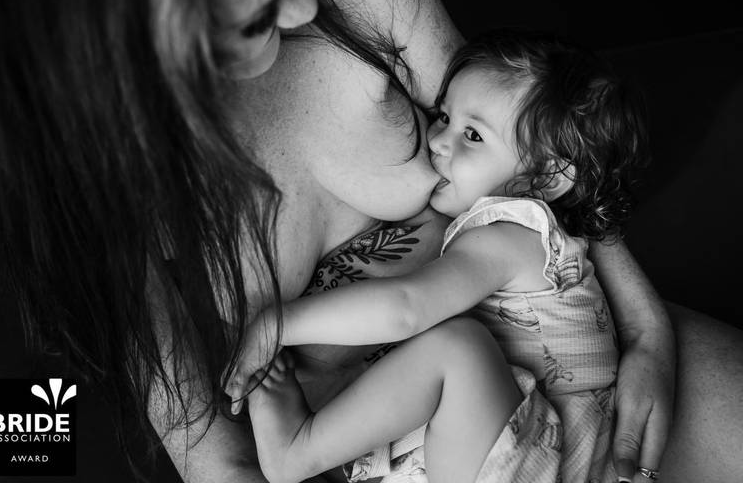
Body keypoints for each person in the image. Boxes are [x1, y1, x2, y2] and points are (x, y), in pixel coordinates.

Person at [0, 0, 742, 483]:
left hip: (552, 361)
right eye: (259, 3)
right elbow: (189, 418)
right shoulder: (94, 182)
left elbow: (535, 138)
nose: (303, 5)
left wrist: (644, 326)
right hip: (400, 449)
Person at [229, 29, 641, 483]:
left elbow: (406, 307)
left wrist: (279, 323)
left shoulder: (516, 235)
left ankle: (298, 452)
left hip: (543, 468)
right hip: (500, 457)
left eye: (473, 134)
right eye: (443, 116)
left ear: (545, 177)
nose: (439, 139)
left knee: (457, 347)